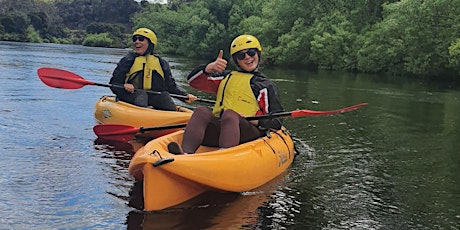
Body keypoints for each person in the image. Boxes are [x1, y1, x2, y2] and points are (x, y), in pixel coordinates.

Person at [167, 34, 284, 154]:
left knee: (229, 115)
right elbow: (193, 82)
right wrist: (209, 68)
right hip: (221, 131)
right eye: (241, 55)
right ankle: (185, 153)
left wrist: (253, 120)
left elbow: (277, 122)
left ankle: (223, 156)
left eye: (251, 52)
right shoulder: (225, 77)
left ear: (258, 54)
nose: (247, 57)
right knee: (201, 111)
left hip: (248, 133)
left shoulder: (265, 85)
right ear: (236, 60)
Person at [110, 27, 196, 110]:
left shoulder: (161, 63)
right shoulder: (128, 60)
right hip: (130, 96)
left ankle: (173, 119)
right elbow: (114, 84)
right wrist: (124, 86)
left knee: (164, 96)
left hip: (152, 97)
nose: (136, 42)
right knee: (141, 94)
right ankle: (143, 115)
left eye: (141, 39)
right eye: (134, 39)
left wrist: (185, 96)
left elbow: (170, 86)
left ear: (151, 43)